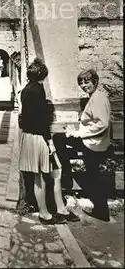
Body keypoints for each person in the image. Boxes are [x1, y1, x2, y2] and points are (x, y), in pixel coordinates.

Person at [19, 58, 80, 224]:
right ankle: (47, 213)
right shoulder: (38, 90)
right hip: (39, 137)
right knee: (49, 174)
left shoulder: (26, 90)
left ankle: (56, 210)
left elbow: (26, 117)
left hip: (30, 137)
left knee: (48, 174)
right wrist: (49, 141)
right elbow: (40, 121)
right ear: (42, 75)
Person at [53, 69, 111, 222]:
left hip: (93, 143)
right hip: (93, 141)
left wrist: (80, 133)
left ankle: (65, 174)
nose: (84, 85)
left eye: (87, 82)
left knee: (93, 176)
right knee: (93, 175)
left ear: (95, 82)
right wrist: (77, 131)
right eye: (81, 83)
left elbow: (102, 124)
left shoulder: (98, 99)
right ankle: (101, 210)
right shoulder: (96, 97)